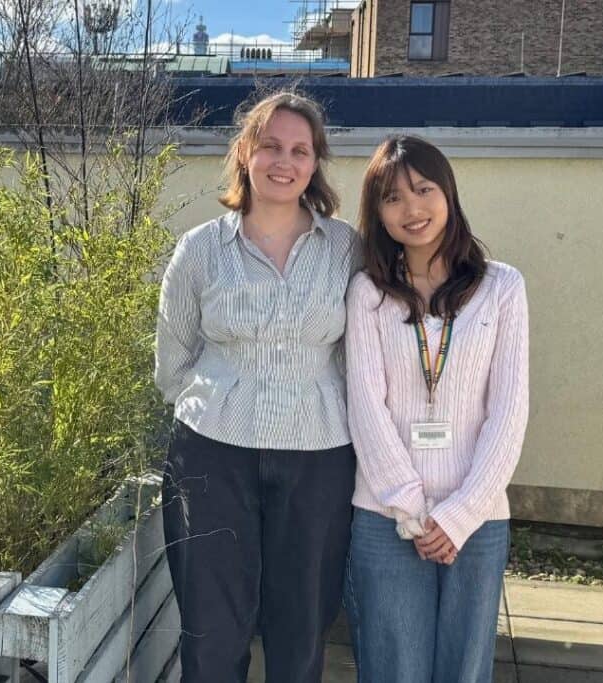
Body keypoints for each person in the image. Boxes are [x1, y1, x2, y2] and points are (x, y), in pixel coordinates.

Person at [154, 91, 360, 683]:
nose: (283, 161)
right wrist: (220, 406)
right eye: (270, 145)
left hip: (319, 461)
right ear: (245, 152)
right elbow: (173, 361)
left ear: (315, 163)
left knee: (301, 634)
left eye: (300, 150)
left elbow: (361, 355)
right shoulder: (199, 250)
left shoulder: (347, 249)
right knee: (213, 634)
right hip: (212, 456)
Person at [343, 135, 529, 683]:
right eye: (393, 198)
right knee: (392, 668)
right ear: (378, 213)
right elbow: (366, 408)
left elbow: (509, 409)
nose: (412, 209)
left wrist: (460, 515)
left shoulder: (502, 288)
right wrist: (410, 509)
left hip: (479, 517)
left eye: (423, 190)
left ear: (448, 192)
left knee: (464, 670)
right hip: (384, 516)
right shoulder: (368, 293)